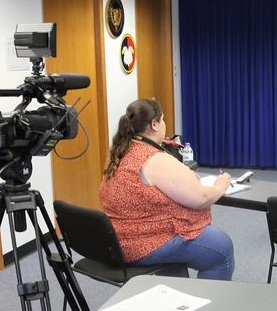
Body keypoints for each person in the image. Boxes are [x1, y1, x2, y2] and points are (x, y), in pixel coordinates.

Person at [100, 98, 235, 280]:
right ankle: (209, 306)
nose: (164, 124)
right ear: (154, 124)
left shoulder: (121, 152)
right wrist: (220, 186)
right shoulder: (154, 158)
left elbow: (144, 192)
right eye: (162, 120)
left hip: (116, 241)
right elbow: (200, 198)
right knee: (221, 248)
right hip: (142, 244)